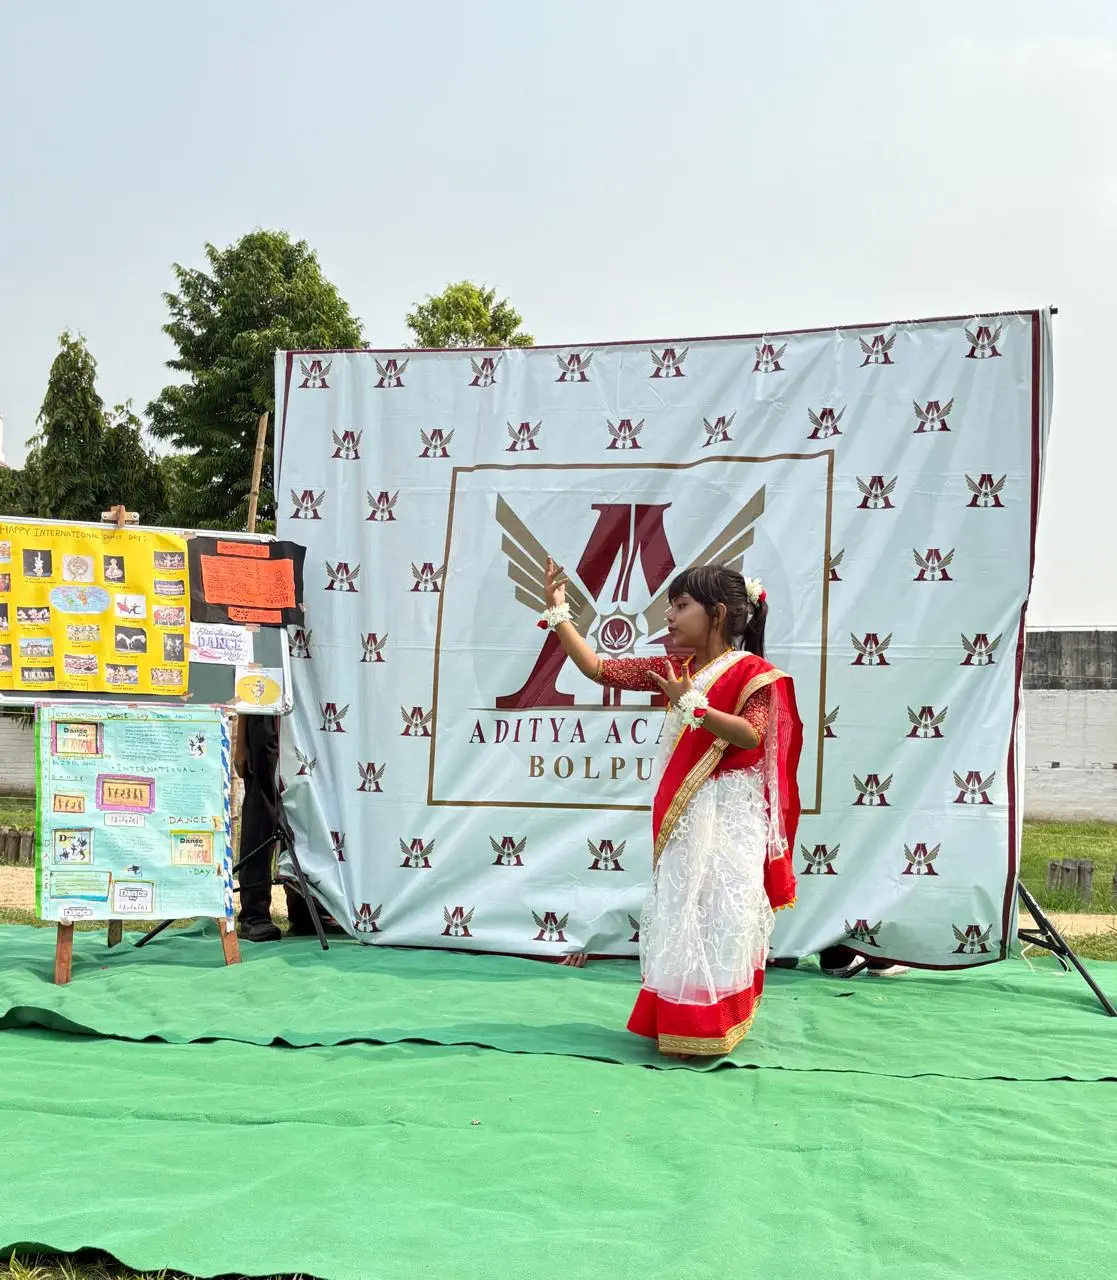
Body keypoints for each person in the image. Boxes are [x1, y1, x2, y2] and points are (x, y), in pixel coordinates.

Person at [543, 559, 803, 1058]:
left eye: (681, 605)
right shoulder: (675, 670)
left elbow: (751, 734)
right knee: (683, 908)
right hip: (688, 815)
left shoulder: (754, 673)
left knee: (721, 910)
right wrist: (559, 614)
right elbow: (599, 668)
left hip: (731, 812)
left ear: (718, 613)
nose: (669, 615)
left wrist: (694, 707)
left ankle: (713, 1022)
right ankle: (683, 1020)